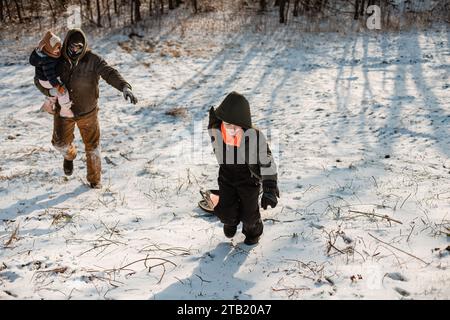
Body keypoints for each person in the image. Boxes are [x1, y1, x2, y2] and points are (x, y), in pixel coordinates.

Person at [34, 28, 138, 189]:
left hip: (88, 112)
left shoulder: (93, 59)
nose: (75, 49)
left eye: (79, 46)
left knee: (93, 147)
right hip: (63, 111)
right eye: (72, 46)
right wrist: (50, 91)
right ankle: (70, 156)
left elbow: (109, 72)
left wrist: (124, 86)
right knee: (59, 143)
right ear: (67, 44)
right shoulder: (57, 58)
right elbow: (38, 79)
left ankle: (95, 181)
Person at [207, 92, 279, 245]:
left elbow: (267, 161)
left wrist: (269, 188)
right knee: (226, 212)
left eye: (235, 126)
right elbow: (213, 121)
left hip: (248, 180)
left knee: (249, 216)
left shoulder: (254, 137)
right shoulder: (217, 130)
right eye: (227, 125)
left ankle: (254, 230)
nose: (230, 130)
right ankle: (230, 221)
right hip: (226, 177)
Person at [29, 31, 73, 118]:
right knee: (62, 91)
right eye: (56, 48)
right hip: (46, 80)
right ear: (49, 49)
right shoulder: (47, 60)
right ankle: (65, 110)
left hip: (46, 79)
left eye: (59, 47)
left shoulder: (52, 54)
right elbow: (50, 75)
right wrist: (57, 86)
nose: (58, 50)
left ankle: (47, 105)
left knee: (54, 91)